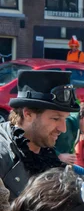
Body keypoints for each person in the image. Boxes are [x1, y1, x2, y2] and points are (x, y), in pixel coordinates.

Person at [0, 70, 79, 201]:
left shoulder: (46, 152)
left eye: (65, 119)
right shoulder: (3, 157)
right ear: (28, 114)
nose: (63, 128)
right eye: (55, 118)